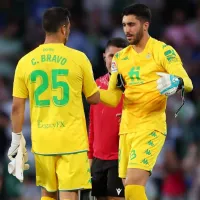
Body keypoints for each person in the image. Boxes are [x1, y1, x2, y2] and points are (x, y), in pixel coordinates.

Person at [99, 3, 193, 200]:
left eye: (132, 24)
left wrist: (176, 82)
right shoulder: (120, 58)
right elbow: (113, 97)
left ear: (145, 25)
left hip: (150, 125)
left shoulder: (162, 51)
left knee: (133, 186)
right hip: (126, 129)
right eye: (124, 25)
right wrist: (90, 91)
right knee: (128, 190)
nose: (127, 30)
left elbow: (188, 82)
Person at [7, 7, 100, 200]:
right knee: (69, 193)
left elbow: (17, 107)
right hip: (72, 141)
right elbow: (93, 98)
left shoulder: (25, 62)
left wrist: (17, 140)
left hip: (43, 140)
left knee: (47, 193)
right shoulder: (78, 58)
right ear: (64, 29)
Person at [89, 38, 128, 200]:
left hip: (120, 158)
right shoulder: (96, 86)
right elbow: (92, 126)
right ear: (104, 56)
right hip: (98, 159)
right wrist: (89, 158)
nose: (114, 60)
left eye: (119, 56)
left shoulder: (133, 88)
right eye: (111, 55)